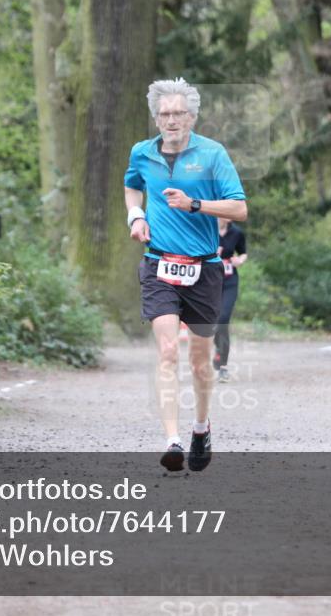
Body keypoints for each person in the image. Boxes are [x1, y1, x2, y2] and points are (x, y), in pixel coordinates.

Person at [124, 78, 248, 472]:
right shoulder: (142, 153)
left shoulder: (212, 154)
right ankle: (172, 440)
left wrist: (195, 205)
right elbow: (131, 188)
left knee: (198, 362)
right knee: (165, 352)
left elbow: (239, 210)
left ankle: (200, 427)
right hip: (159, 263)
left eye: (178, 113)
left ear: (192, 117)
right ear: (156, 118)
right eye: (164, 114)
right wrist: (137, 215)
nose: (171, 120)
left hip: (204, 270)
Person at [213, 218, 247, 383]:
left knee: (223, 319)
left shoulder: (237, 232)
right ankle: (217, 348)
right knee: (213, 322)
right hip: (209, 282)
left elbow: (243, 252)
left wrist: (240, 260)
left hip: (229, 281)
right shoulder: (207, 227)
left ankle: (223, 366)